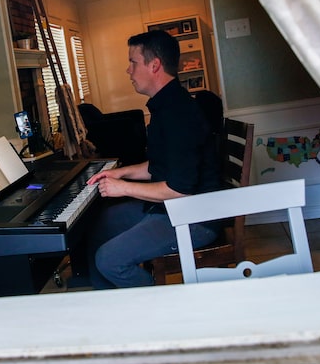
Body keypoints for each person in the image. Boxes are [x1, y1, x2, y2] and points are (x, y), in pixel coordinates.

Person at [83, 29, 222, 289]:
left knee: (109, 259)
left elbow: (180, 190)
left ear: (154, 65)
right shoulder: (166, 106)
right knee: (99, 225)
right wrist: (120, 173)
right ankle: (106, 304)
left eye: (133, 62)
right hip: (171, 209)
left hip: (194, 218)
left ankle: (159, 311)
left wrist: (123, 188)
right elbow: (161, 165)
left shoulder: (178, 115)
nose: (128, 70)